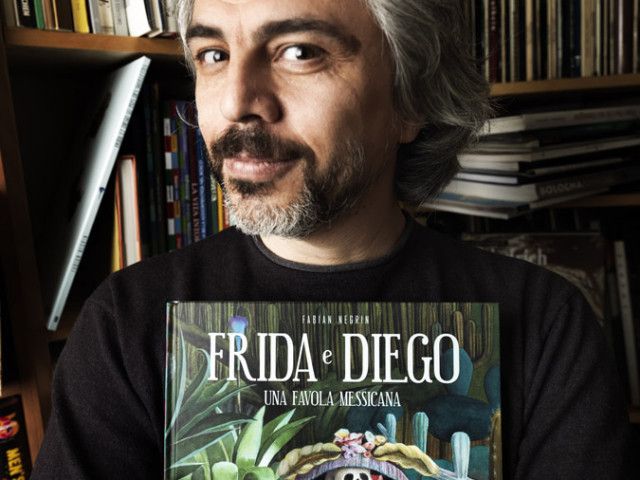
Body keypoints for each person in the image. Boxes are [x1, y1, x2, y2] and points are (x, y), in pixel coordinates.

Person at [32, 0, 635, 478]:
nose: (237, 102)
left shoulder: (545, 323)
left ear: (408, 101)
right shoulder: (129, 324)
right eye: (213, 55)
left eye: (300, 52)